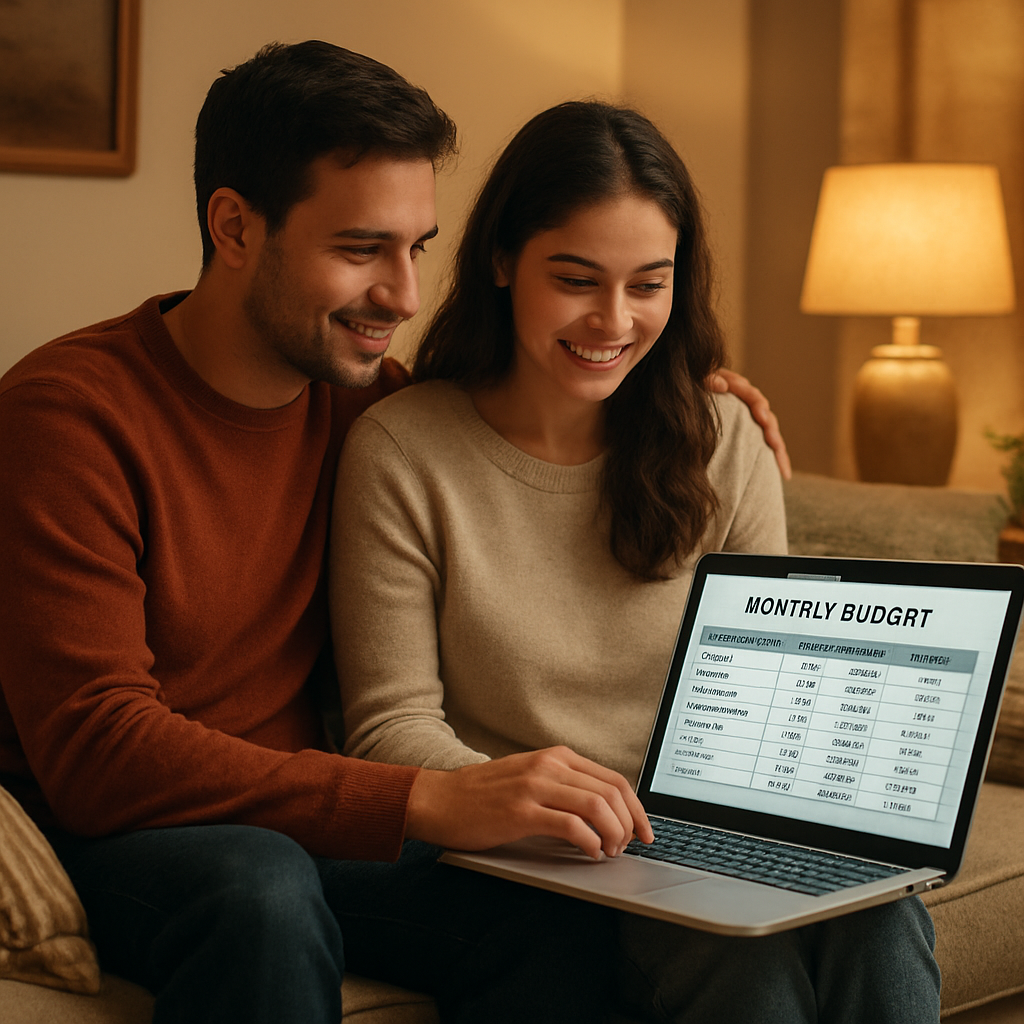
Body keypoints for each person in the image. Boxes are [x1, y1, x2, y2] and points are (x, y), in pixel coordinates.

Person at [0, 42, 788, 1024]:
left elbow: (520, 411)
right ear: (235, 227)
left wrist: (689, 390)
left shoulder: (367, 407)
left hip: (305, 826)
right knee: (260, 885)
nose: (404, 296)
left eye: (415, 248)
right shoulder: (67, 415)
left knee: (553, 913)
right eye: (359, 248)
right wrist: (419, 799)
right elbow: (98, 750)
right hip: (127, 831)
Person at [330, 101, 941, 1022]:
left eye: (647, 284)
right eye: (576, 279)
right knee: (742, 966)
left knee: (882, 916)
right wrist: (535, 798)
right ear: (502, 261)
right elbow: (387, 727)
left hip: (711, 833)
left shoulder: (723, 438)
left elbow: (777, 697)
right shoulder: (404, 451)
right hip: (540, 857)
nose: (612, 320)